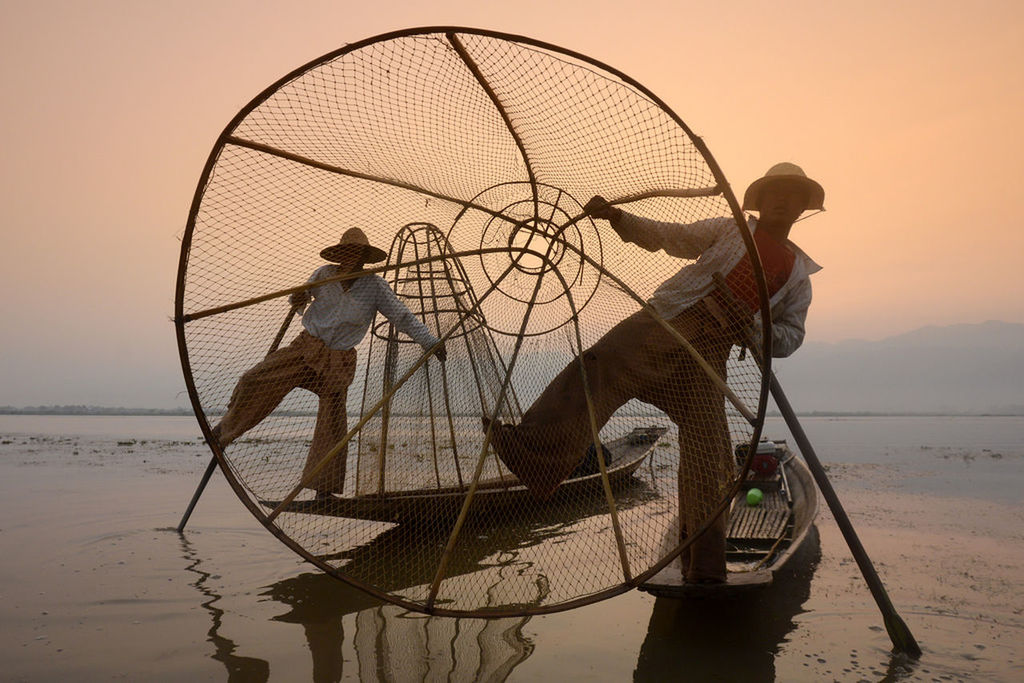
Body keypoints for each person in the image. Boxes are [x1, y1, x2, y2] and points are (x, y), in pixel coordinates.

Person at [486, 162, 824, 582]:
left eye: (791, 195)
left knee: (711, 450)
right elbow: (672, 237)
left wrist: (754, 327)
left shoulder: (797, 275)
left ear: (801, 207)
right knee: (597, 367)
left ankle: (704, 564)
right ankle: (534, 454)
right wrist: (619, 219)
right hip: (666, 322)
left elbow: (791, 338)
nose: (781, 201)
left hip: (709, 355)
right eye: (774, 192)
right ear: (760, 200)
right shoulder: (730, 230)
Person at [211, 227, 446, 498]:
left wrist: (429, 342)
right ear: (339, 253)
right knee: (255, 378)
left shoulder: (375, 286)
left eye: (356, 252)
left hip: (339, 360)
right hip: (306, 348)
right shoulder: (324, 275)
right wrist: (299, 297)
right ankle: (223, 432)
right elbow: (300, 299)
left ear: (363, 256)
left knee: (332, 421)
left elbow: (402, 316)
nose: (350, 257)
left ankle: (324, 489)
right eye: (346, 251)